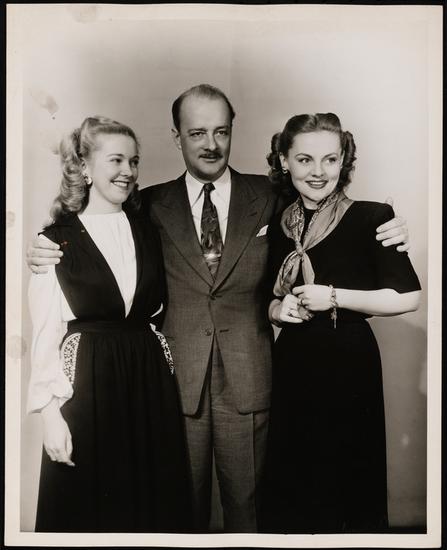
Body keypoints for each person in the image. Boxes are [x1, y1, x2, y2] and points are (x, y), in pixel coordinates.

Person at [26, 85, 410, 533]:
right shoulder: (147, 204)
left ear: (232, 131)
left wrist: (392, 229)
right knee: (175, 510)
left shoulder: (270, 195)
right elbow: (95, 232)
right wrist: (42, 247)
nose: (211, 144)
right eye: (197, 133)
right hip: (170, 384)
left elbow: (325, 212)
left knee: (251, 513)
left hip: (250, 379)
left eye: (221, 131)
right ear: (177, 137)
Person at [27, 116, 191, 533]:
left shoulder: (148, 229)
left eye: (134, 162)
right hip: (89, 382)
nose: (128, 172)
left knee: (152, 505)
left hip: (148, 378)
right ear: (84, 166)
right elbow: (45, 336)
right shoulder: (54, 241)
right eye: (116, 160)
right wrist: (50, 417)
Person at [260, 113, 421, 534]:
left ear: (343, 161)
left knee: (348, 482)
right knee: (296, 483)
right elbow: (264, 296)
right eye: (305, 159)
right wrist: (278, 310)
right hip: (293, 363)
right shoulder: (279, 224)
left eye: (330, 160)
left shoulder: (373, 216)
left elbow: (409, 297)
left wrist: (333, 296)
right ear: (284, 161)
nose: (318, 172)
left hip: (349, 364)